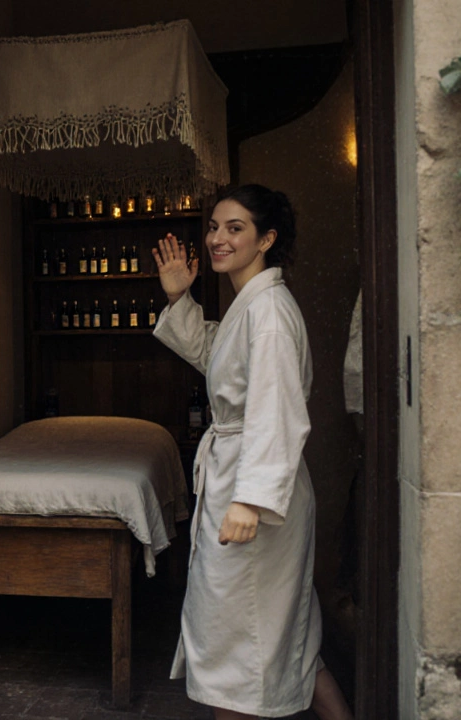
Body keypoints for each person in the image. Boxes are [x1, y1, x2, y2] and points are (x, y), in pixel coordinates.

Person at [151, 184, 353, 720]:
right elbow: (220, 358)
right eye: (214, 227)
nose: (218, 238)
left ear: (267, 238)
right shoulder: (252, 305)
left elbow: (276, 411)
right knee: (288, 640)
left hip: (256, 495)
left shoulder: (268, 313)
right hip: (244, 482)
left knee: (238, 645)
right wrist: (179, 299)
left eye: (235, 228)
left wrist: (251, 499)